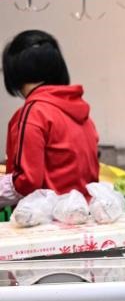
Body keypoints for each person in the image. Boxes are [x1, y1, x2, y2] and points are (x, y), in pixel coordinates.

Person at [0, 30, 99, 206]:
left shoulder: (34, 112)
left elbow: (26, 181)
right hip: (83, 214)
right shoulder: (83, 114)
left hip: (45, 218)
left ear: (13, 71)